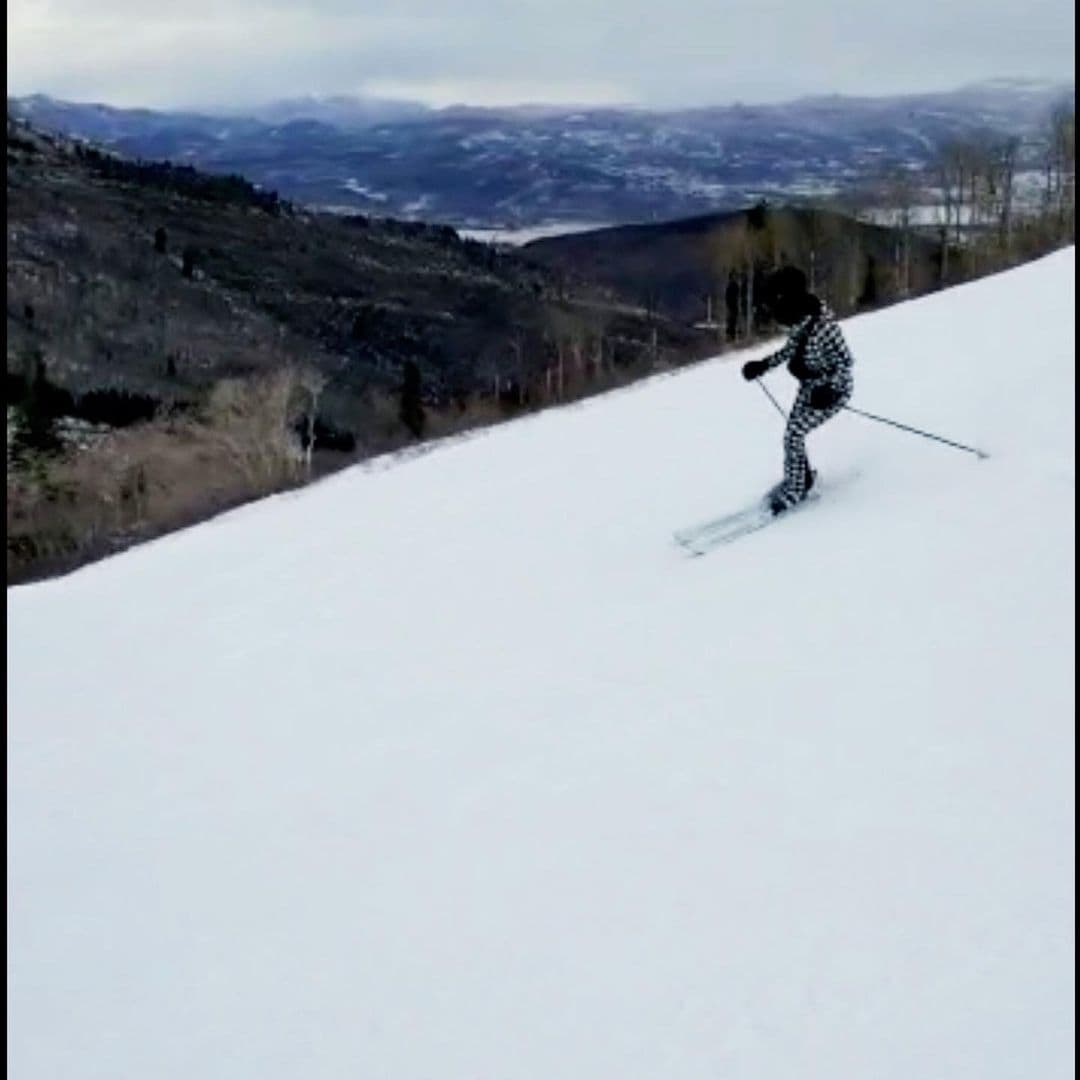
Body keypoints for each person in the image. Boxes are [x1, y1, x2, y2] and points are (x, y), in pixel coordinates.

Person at [740, 266, 854, 514]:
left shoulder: (825, 327)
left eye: (775, 304)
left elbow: (845, 363)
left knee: (793, 435)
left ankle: (796, 490)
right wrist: (763, 365)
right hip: (811, 387)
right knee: (792, 435)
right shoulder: (800, 321)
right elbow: (791, 349)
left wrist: (831, 390)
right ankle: (802, 478)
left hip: (832, 391)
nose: (773, 313)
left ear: (788, 299)